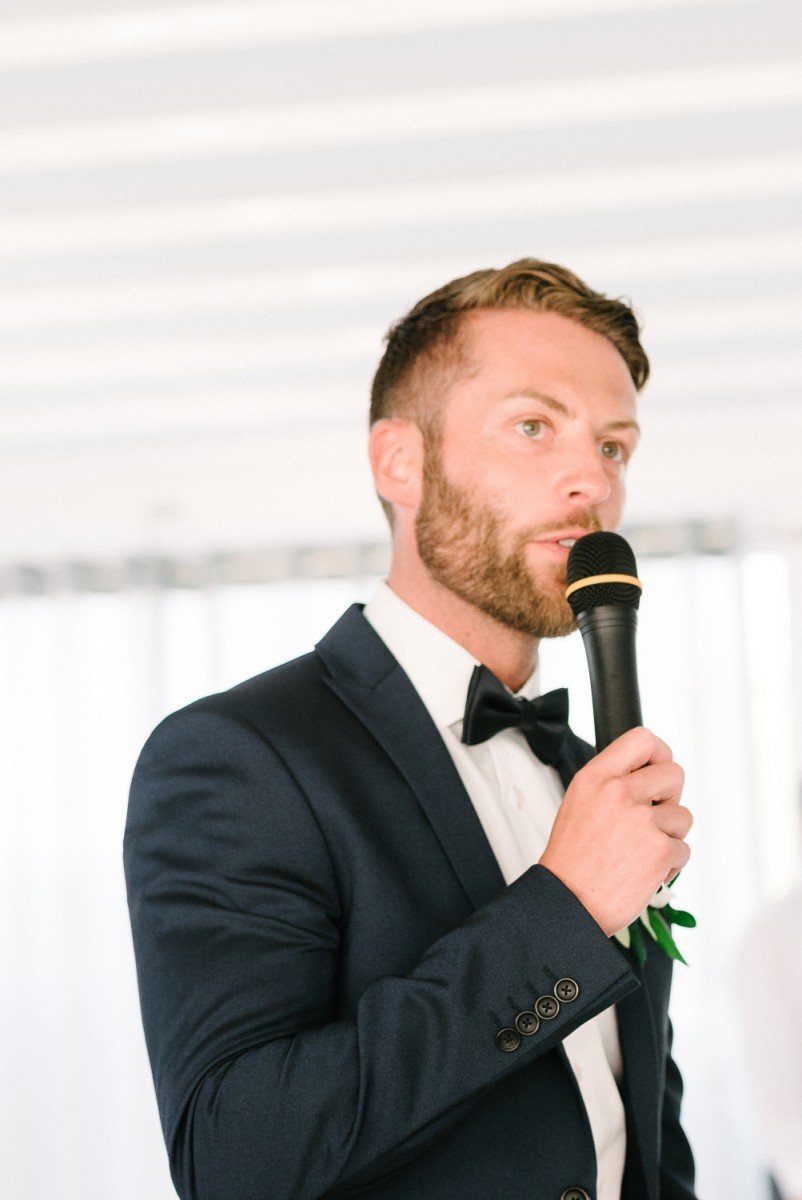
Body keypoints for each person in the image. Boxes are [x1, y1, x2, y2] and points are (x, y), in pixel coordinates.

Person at [124, 259, 696, 1200]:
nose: (591, 478)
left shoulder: (588, 775)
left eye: (614, 446)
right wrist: (567, 909)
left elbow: (638, 1120)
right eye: (533, 426)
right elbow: (236, 1160)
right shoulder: (236, 759)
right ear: (401, 462)